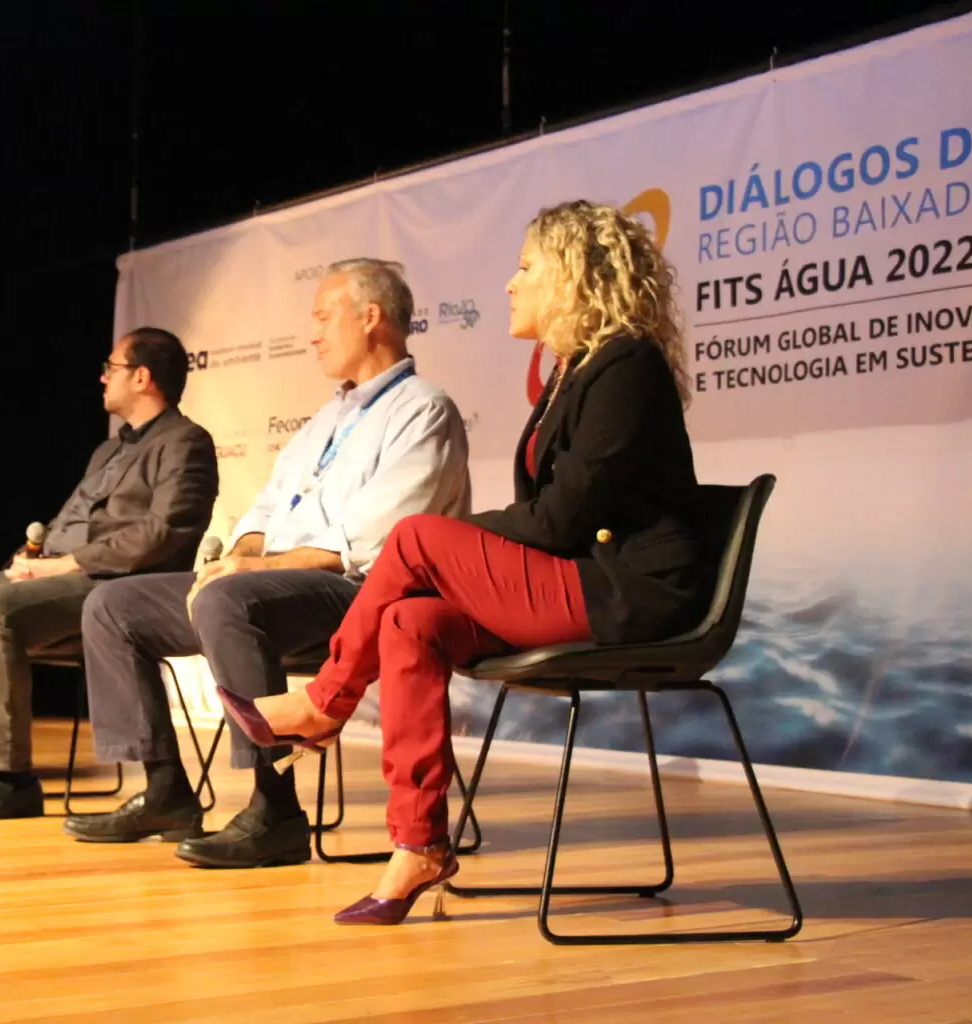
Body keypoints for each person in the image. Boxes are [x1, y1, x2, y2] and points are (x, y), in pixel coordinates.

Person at [221, 199, 712, 923]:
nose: (510, 283)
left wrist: (459, 544)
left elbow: (561, 520)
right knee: (411, 624)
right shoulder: (574, 371)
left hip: (631, 593)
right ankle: (418, 843)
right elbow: (553, 519)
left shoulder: (626, 365)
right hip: (576, 581)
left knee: (417, 537)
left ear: (573, 275)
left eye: (526, 267)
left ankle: (324, 704)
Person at [64, 258, 472, 869]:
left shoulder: (424, 410)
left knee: (230, 600)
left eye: (323, 317)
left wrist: (249, 573)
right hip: (278, 586)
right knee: (113, 606)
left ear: (370, 317)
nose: (313, 334)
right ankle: (165, 789)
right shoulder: (327, 418)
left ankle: (274, 809)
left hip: (364, 594)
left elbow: (373, 540)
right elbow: (264, 510)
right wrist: (239, 557)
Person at [0, 328, 219, 821]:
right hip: (53, 574)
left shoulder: (186, 442)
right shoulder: (107, 451)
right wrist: (32, 555)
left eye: (112, 368)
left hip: (114, 587)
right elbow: (66, 521)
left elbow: (163, 532)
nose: (102, 377)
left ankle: (10, 780)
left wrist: (66, 563)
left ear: (142, 377)